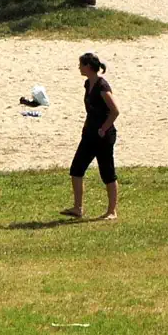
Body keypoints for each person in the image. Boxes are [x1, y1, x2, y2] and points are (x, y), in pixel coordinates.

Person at [62, 51, 118, 222]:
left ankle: (112, 211)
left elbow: (115, 111)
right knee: (76, 169)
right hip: (89, 135)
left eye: (81, 64)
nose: (79, 67)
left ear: (88, 66)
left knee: (107, 173)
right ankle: (78, 208)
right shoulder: (88, 84)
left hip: (103, 136)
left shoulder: (102, 86)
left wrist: (103, 128)